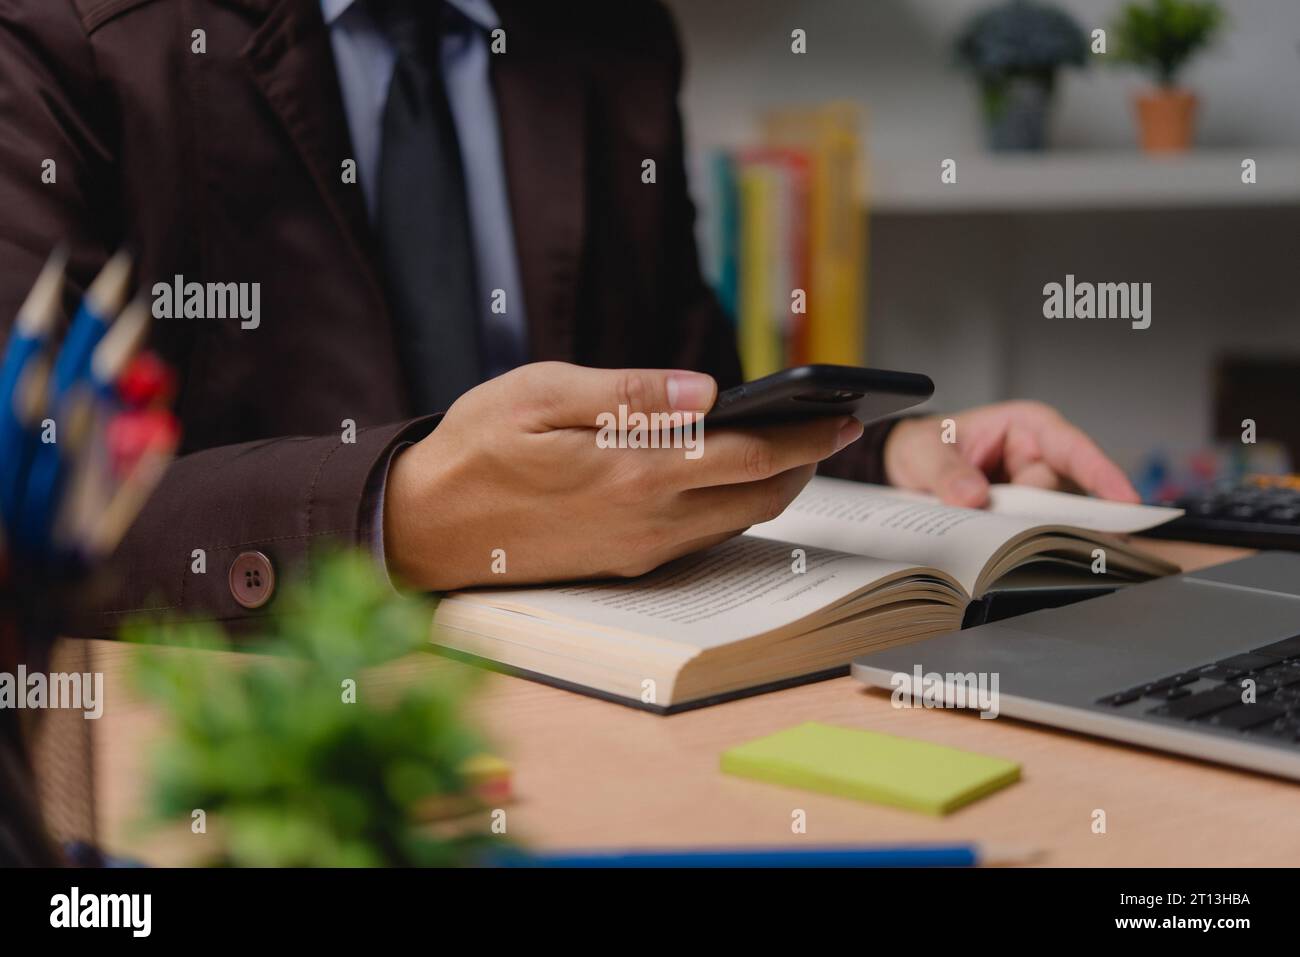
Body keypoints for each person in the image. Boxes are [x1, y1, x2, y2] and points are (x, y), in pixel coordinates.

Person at [0, 0, 1136, 630]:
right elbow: (29, 500)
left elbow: (690, 395)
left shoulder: (613, 37)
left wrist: (885, 456)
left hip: (622, 714)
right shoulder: (55, 36)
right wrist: (399, 515)